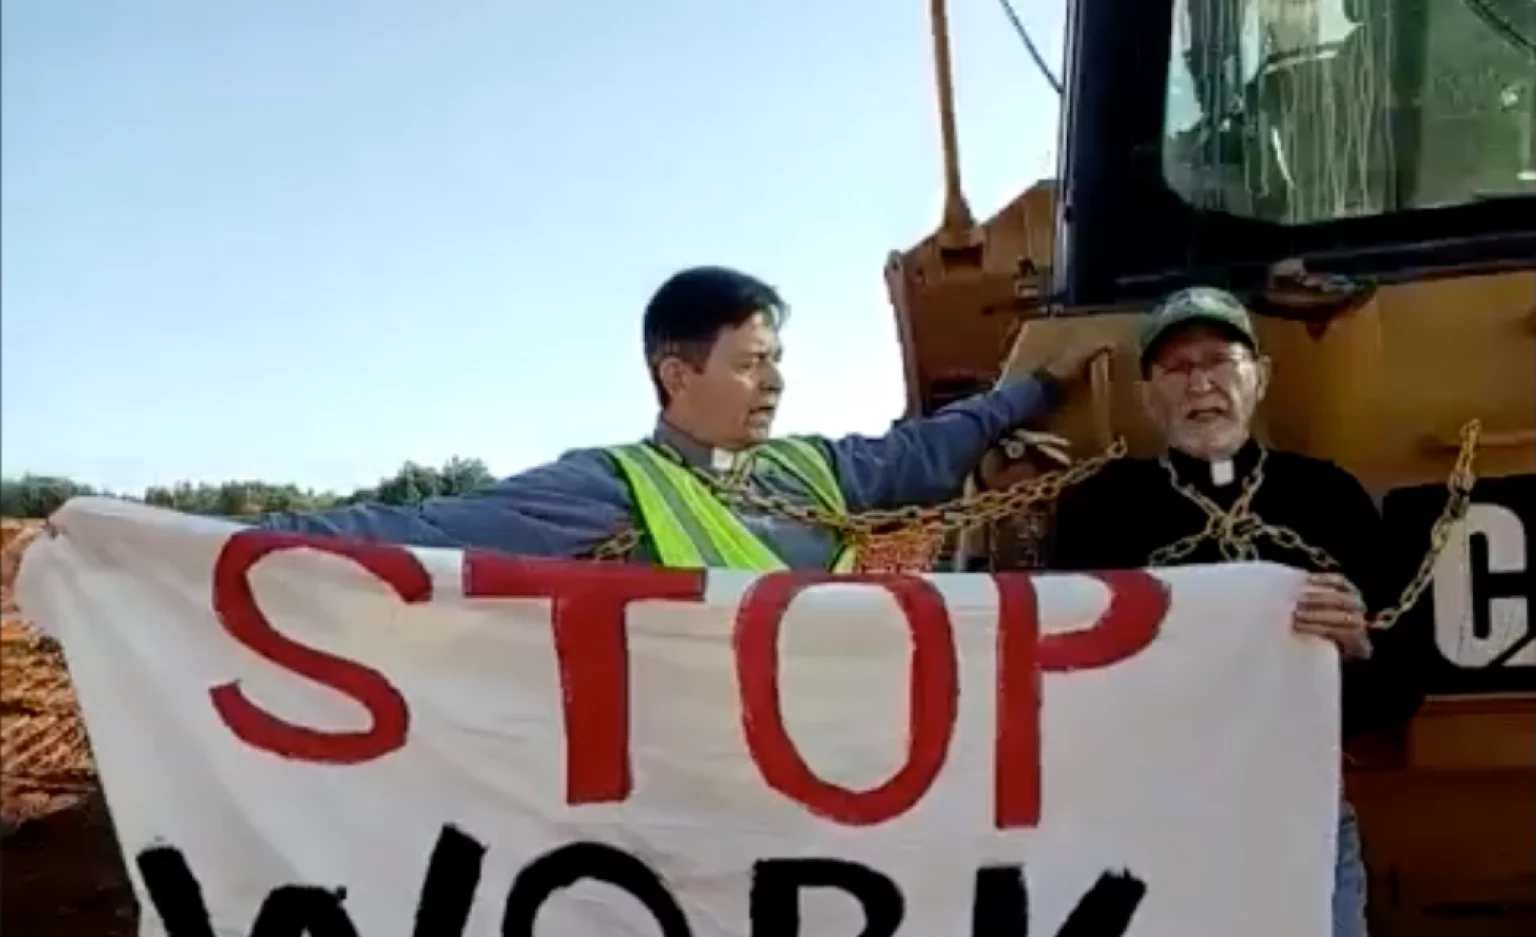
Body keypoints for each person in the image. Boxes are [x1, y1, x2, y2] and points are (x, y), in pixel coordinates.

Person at [1045, 286, 1420, 937]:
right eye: (1175, 367)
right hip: (1150, 827)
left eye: (1219, 360)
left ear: (1261, 377)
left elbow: (1405, 681)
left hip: (1305, 820)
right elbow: (1058, 674)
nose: (1198, 383)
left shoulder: (1329, 500)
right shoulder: (1099, 511)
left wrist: (1362, 643)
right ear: (1149, 396)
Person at [256, 266, 1075, 567]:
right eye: (752, 363)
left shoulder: (816, 469)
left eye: (778, 360)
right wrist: (195, 542)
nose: (776, 382)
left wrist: (1032, 390)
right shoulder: (603, 488)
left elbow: (930, 449)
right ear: (678, 373)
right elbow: (418, 530)